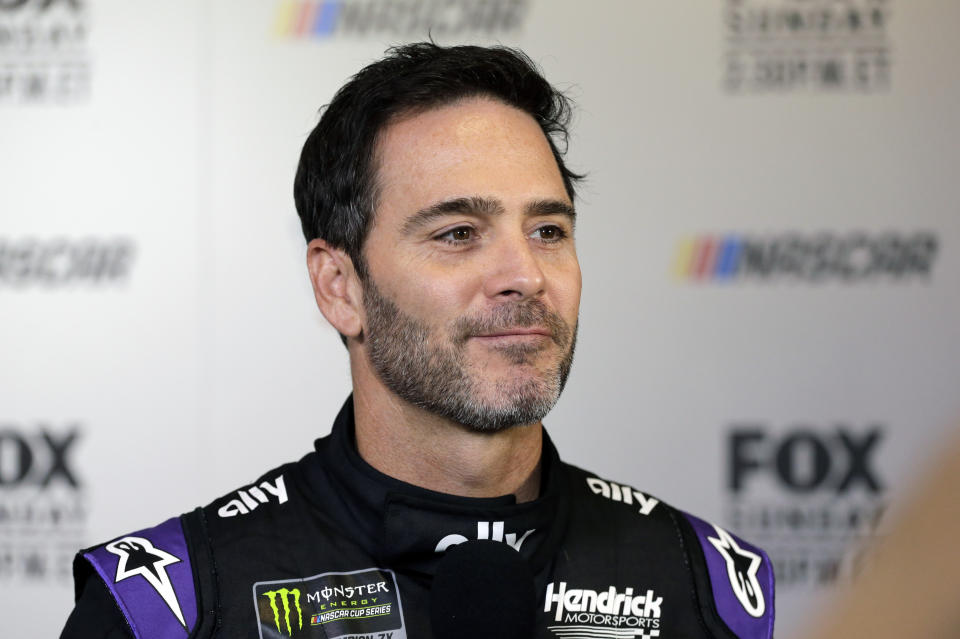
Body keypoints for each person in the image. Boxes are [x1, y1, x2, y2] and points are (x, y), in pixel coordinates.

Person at [61, 43, 775, 639]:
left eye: (548, 230)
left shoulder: (703, 586)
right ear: (340, 285)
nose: (524, 274)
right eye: (458, 233)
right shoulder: (173, 606)